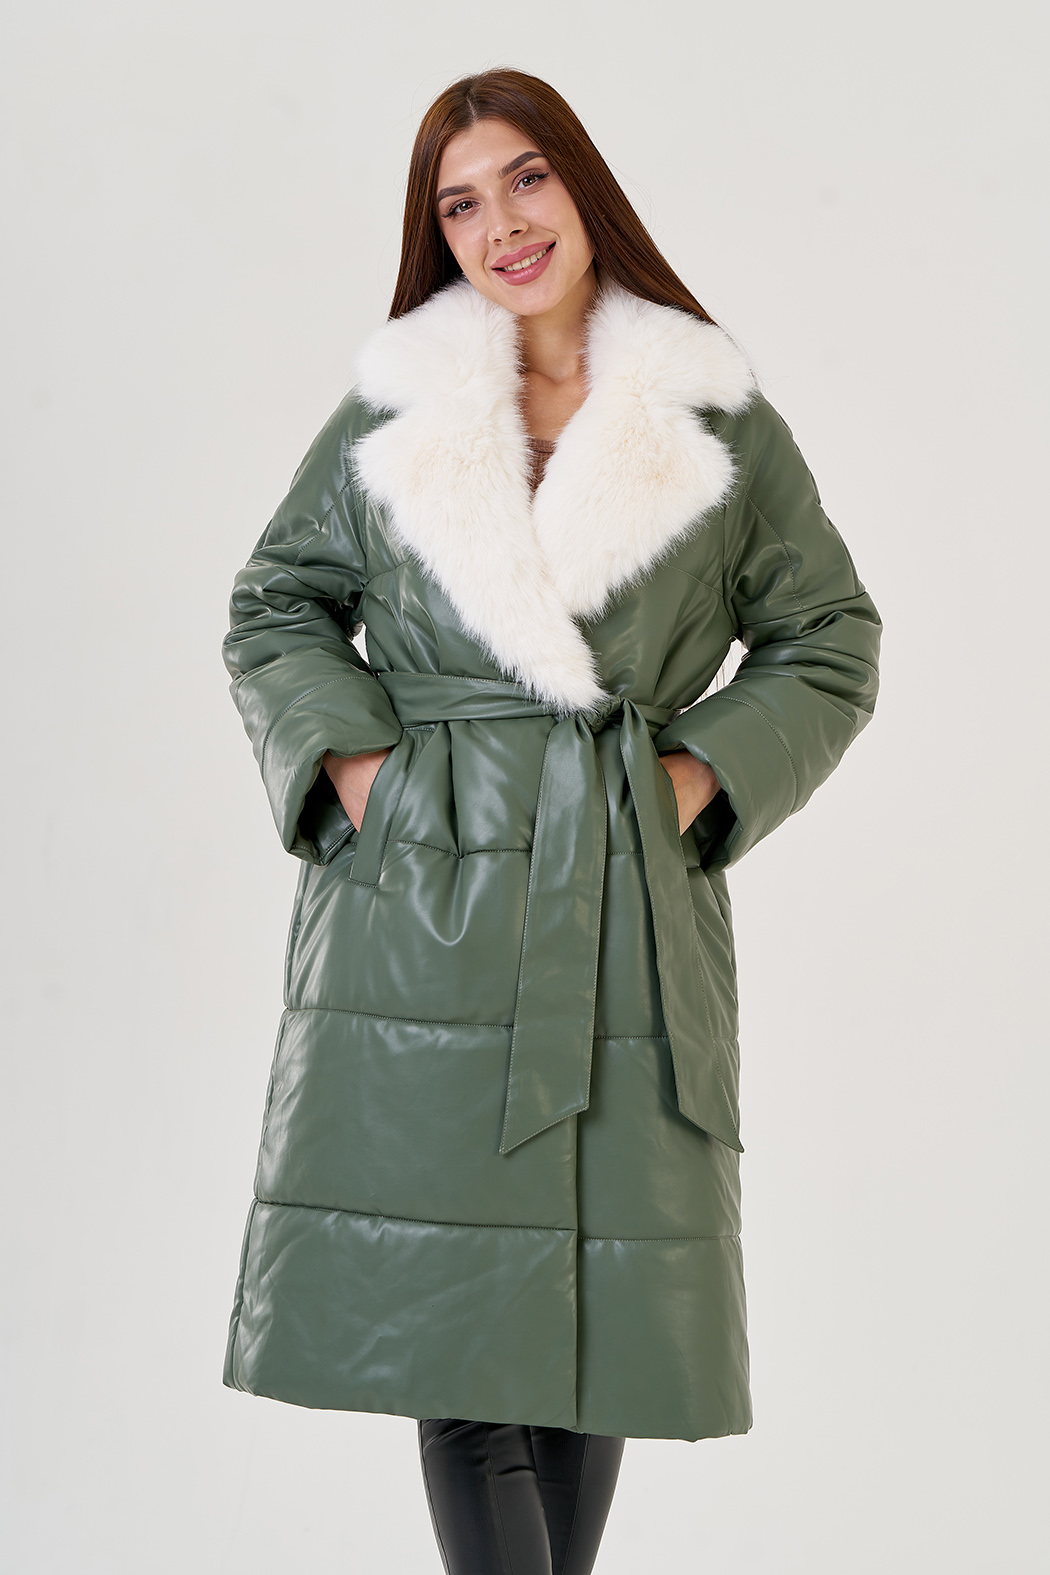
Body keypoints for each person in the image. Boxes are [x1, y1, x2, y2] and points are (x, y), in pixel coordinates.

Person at [221, 67, 881, 1575]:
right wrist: (366, 775)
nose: (501, 224)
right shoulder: (395, 410)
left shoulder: (714, 418)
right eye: (460, 203)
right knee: (463, 1354)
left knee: (597, 1341)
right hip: (422, 912)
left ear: (580, 186)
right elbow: (276, 605)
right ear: (436, 234)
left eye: (524, 178)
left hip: (622, 903)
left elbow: (830, 635)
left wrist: (690, 782)